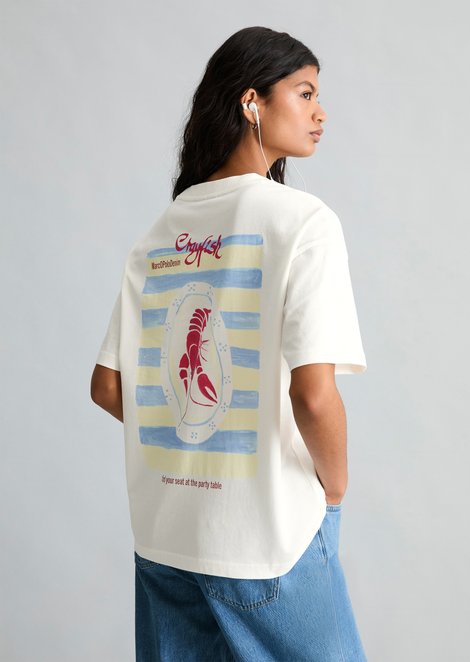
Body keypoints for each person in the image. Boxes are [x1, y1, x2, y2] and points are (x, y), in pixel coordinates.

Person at [90, 25, 368, 662]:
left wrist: (197, 436)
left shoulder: (160, 232)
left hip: (165, 538)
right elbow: (313, 395)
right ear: (251, 103)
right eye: (305, 93)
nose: (321, 112)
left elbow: (108, 387)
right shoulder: (304, 223)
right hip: (265, 539)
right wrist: (334, 490)